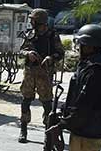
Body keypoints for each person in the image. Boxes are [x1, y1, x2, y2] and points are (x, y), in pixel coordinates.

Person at [18, 8, 65, 143]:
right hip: (30, 72)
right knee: (26, 100)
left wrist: (51, 58)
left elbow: (60, 53)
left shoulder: (52, 36)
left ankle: (48, 132)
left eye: (33, 20)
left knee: (47, 103)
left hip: (45, 73)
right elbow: (21, 50)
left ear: (39, 21)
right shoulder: (29, 34)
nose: (31, 22)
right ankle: (23, 129)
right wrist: (28, 54)